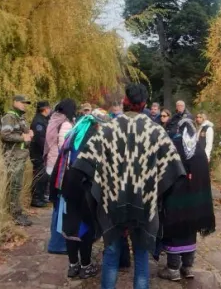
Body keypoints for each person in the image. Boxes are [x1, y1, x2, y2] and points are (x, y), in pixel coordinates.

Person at [69, 83, 186, 289]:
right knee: (141, 257)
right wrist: (157, 193)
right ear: (145, 104)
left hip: (112, 203)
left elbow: (83, 164)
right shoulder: (156, 131)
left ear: (125, 101)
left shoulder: (108, 129)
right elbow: (174, 168)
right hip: (144, 204)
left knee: (111, 254)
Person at [157, 114, 216, 281]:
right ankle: (188, 266)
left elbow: (164, 172)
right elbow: (204, 178)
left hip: (175, 198)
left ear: (178, 130)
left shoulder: (173, 147)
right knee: (191, 228)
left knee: (174, 229)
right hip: (195, 199)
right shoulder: (199, 149)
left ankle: (173, 268)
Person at [57, 108, 110, 280]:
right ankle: (86, 266)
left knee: (70, 223)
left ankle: (73, 265)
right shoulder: (95, 137)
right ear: (99, 124)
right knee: (86, 225)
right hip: (85, 185)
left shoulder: (75, 132)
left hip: (67, 183)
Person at [45, 99, 77, 254]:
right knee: (61, 208)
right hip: (60, 170)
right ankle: (57, 244)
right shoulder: (65, 124)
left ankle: (56, 241)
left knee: (58, 207)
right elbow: (65, 149)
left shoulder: (55, 119)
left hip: (53, 167)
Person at [0, 94, 34, 227]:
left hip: (20, 156)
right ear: (15, 102)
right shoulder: (10, 117)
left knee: (17, 185)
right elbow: (5, 135)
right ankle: (15, 214)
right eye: (22, 102)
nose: (24, 105)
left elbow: (23, 133)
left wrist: (29, 134)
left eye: (26, 103)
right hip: (13, 156)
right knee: (14, 185)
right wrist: (23, 137)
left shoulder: (20, 117)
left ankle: (16, 211)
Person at [30, 100, 52, 208]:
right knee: (39, 175)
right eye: (49, 108)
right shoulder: (38, 121)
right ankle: (36, 198)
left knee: (44, 176)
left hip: (43, 153)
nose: (50, 110)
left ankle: (41, 196)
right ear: (45, 109)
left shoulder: (44, 119)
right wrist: (48, 149)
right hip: (38, 152)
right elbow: (40, 139)